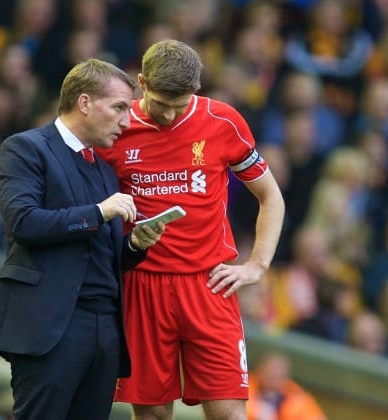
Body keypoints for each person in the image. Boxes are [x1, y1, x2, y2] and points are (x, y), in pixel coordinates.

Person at [97, 40, 285, 419]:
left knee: (230, 413)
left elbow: (271, 197)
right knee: (150, 415)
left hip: (209, 283)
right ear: (142, 82)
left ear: (196, 91)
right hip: (142, 285)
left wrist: (257, 266)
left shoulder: (223, 122)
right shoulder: (116, 127)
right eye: (159, 103)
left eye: (178, 106)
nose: (167, 115)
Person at [0, 59, 164, 420]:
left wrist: (136, 245)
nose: (127, 121)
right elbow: (25, 223)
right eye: (119, 107)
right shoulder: (25, 149)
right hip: (52, 327)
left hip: (106, 329)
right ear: (84, 103)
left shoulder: (106, 171)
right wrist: (99, 212)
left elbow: (101, 254)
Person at [246, 351, 327, 420]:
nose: (275, 375)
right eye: (270, 372)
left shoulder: (298, 398)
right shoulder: (245, 388)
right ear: (260, 370)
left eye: (280, 374)